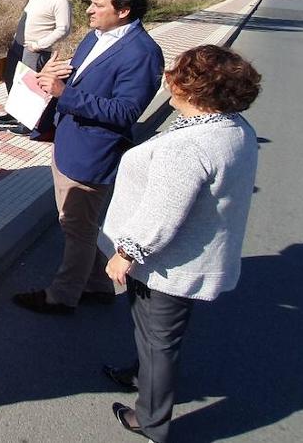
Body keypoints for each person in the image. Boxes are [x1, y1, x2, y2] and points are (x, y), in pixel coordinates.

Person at [100, 45, 262, 443]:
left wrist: (126, 252)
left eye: (177, 74)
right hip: (190, 257)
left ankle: (151, 420)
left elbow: (164, 213)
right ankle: (142, 375)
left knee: (159, 340)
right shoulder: (234, 128)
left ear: (194, 89)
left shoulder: (188, 147)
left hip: (166, 266)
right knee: (154, 335)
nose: (169, 79)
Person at [12, 0, 164, 316]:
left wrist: (65, 93)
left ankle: (62, 296)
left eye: (98, 5)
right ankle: (97, 284)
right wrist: (57, 75)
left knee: (77, 228)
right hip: (69, 142)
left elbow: (126, 111)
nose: (88, 10)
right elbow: (82, 79)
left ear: (123, 11)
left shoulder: (143, 53)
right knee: (78, 223)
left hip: (92, 154)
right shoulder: (96, 36)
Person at [0, 0, 72, 133]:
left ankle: (27, 124)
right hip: (18, 46)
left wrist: (39, 45)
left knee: (30, 86)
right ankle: (14, 113)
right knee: (11, 78)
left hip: (35, 50)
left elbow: (63, 29)